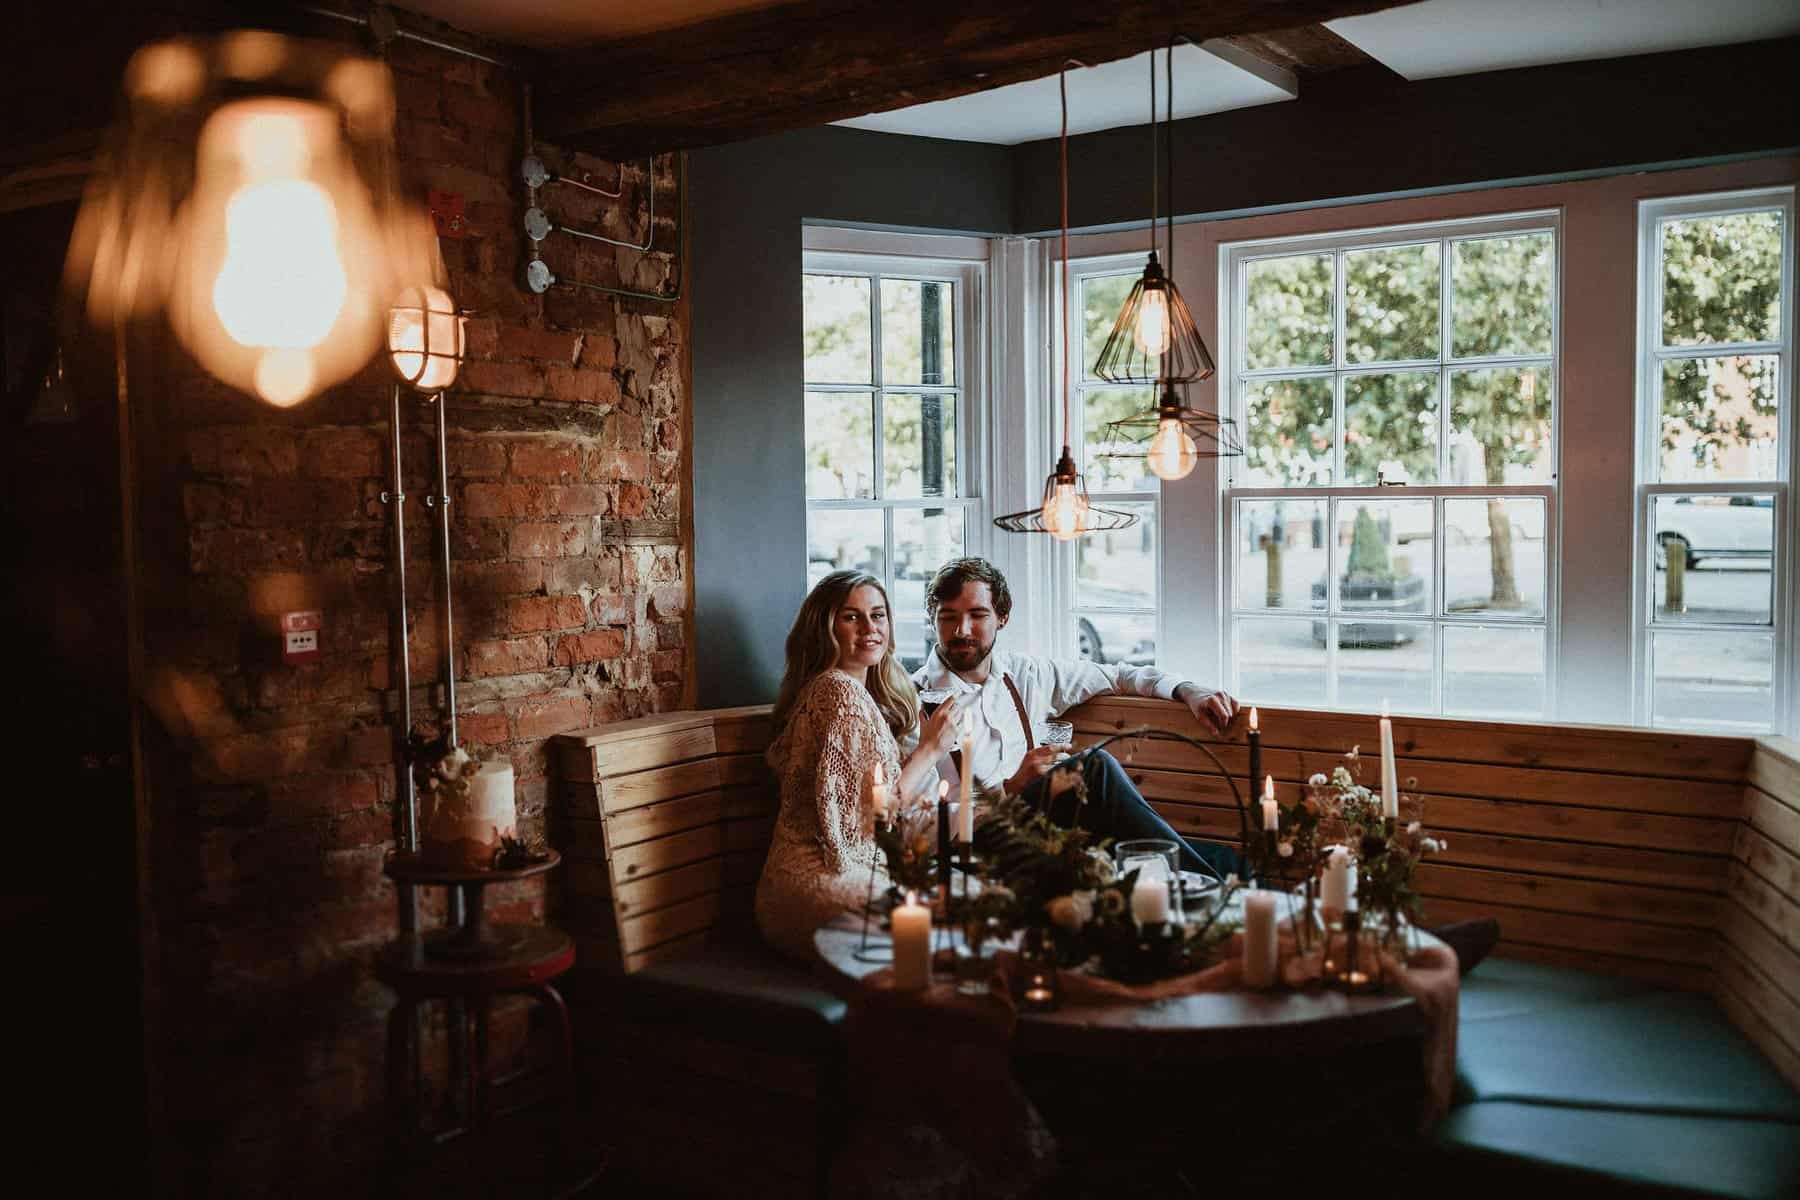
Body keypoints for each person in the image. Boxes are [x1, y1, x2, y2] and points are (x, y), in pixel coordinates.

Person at [909, 557, 1239, 878]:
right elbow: (918, 821)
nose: (961, 630)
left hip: (1046, 830)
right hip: (975, 848)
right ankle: (1214, 895)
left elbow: (1119, 675)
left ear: (1003, 617)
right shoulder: (913, 701)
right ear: (932, 620)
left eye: (977, 615)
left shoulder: (1026, 674)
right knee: (1094, 768)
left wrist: (1187, 690)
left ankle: (1212, 886)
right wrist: (1008, 788)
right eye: (947, 617)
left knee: (1228, 859)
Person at [755, 570, 963, 960]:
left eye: (878, 615)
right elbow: (866, 821)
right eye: (851, 617)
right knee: (956, 924)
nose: (870, 627)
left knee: (971, 907)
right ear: (825, 628)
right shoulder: (839, 693)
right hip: (822, 879)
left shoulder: (844, 692)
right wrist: (930, 749)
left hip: (820, 878)